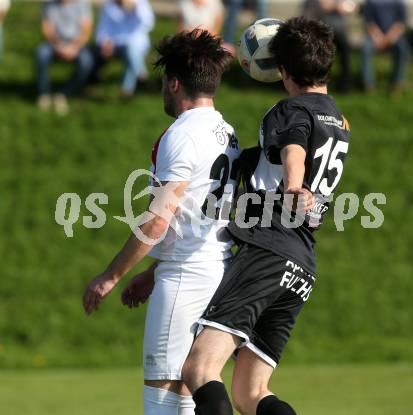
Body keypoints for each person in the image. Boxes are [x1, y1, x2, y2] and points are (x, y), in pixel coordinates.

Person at [181, 17, 351, 415]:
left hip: (268, 251)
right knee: (250, 394)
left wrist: (293, 186)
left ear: (283, 71)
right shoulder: (340, 122)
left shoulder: (290, 109)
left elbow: (294, 147)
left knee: (199, 368)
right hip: (302, 266)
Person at [83, 29, 240, 415]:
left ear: (173, 83)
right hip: (217, 269)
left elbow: (158, 221)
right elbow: (196, 219)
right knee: (187, 394)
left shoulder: (182, 134)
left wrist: (110, 276)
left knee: (163, 398)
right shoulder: (228, 133)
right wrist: (153, 272)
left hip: (186, 277)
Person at [35, 0, 94, 115]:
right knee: (41, 53)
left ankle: (63, 93)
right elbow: (47, 28)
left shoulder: (82, 4)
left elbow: (86, 30)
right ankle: (44, 93)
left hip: (77, 44)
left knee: (86, 61)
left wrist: (74, 47)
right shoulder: (49, 5)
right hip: (55, 43)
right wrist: (58, 45)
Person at [91, 0, 155, 97]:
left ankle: (126, 89)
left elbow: (148, 24)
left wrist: (136, 8)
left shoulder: (140, 3)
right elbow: (102, 30)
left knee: (131, 52)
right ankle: (141, 74)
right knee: (131, 53)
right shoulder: (108, 5)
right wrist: (105, 43)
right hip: (115, 44)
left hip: (137, 42)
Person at [303, 0, 357, 92]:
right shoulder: (312, 2)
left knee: (345, 52)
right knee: (320, 56)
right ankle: (317, 83)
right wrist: (331, 7)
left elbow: (352, 7)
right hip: (320, 34)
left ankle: (345, 85)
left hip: (339, 34)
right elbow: (308, 17)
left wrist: (348, 8)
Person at [361, 0, 408, 93]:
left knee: (402, 48)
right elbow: (369, 22)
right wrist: (378, 37)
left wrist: (390, 37)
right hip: (374, 36)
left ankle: (396, 84)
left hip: (394, 36)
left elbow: (401, 23)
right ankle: (369, 84)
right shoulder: (370, 2)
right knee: (365, 49)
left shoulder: (399, 2)